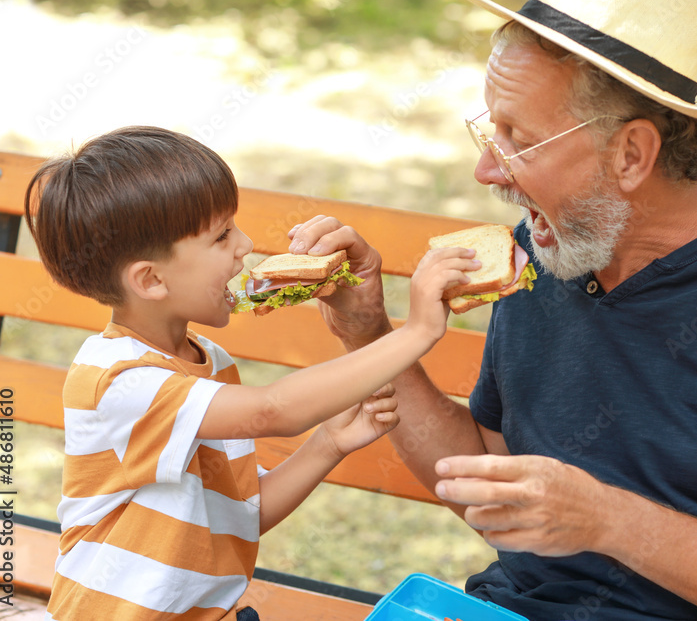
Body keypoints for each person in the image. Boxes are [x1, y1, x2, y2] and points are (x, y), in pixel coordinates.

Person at [288, 0, 697, 619]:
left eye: (518, 137)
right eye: (491, 127)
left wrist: (610, 520)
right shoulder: (547, 247)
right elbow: (489, 477)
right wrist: (367, 331)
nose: (486, 169)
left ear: (632, 154)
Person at [24, 126, 479, 621]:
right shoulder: (117, 381)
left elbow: (240, 516)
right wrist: (414, 333)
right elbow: (272, 410)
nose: (245, 245)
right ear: (151, 280)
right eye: (221, 236)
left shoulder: (211, 362)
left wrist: (328, 443)